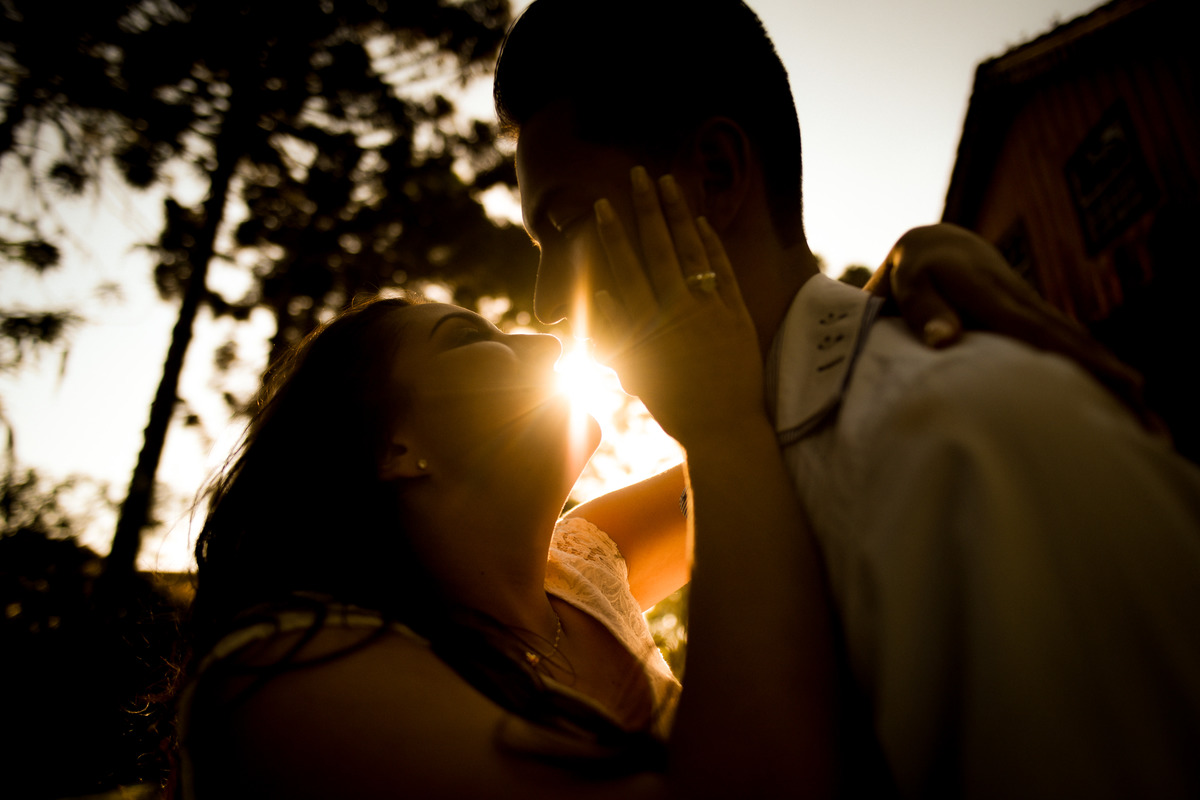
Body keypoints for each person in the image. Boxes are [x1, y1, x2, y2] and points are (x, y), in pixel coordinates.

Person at [493, 1, 1200, 796]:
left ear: (717, 174)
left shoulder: (955, 434)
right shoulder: (751, 461)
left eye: (564, 224)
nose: (550, 300)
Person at [177, 183, 840, 798]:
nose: (547, 348)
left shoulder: (588, 566)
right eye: (471, 338)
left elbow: (796, 437)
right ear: (393, 448)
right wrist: (718, 427)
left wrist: (894, 292)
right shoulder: (286, 677)